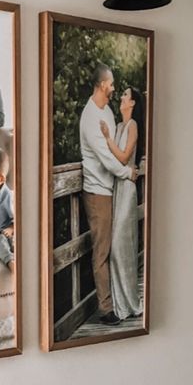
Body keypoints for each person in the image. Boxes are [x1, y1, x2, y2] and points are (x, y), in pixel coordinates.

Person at [80, 63, 137, 326]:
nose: (114, 88)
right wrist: (127, 173)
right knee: (102, 250)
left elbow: (115, 149)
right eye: (111, 83)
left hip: (112, 189)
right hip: (98, 192)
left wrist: (122, 171)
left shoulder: (108, 111)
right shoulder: (90, 117)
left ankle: (120, 298)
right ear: (102, 84)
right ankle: (105, 308)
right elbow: (105, 158)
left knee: (115, 246)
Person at [100, 87, 145, 320]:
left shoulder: (132, 126)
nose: (122, 99)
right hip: (117, 187)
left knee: (120, 245)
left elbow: (124, 156)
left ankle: (132, 302)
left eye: (126, 96)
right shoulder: (118, 126)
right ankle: (122, 306)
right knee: (117, 246)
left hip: (127, 189)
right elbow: (111, 158)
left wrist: (107, 139)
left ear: (133, 103)